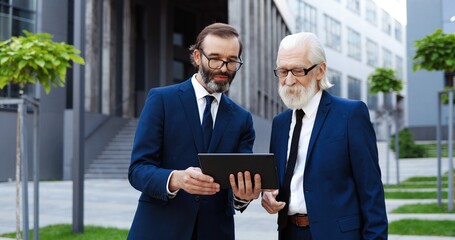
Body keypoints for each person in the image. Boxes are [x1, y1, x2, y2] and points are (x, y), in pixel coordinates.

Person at [127, 23, 261, 240]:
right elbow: (138, 170)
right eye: (215, 58)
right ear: (197, 56)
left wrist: (244, 195)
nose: (223, 67)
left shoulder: (242, 119)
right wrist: (175, 179)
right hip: (159, 230)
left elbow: (240, 182)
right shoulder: (161, 100)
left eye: (232, 60)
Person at [261, 32, 388, 240]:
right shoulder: (280, 124)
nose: (289, 80)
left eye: (298, 70)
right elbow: (278, 182)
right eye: (283, 71)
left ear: (320, 71)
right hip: (289, 233)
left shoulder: (350, 115)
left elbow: (371, 192)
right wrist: (268, 195)